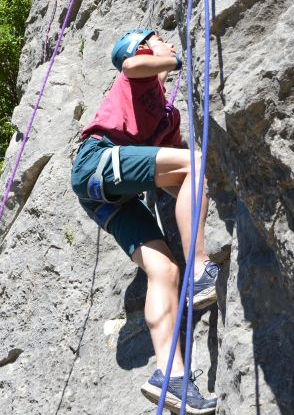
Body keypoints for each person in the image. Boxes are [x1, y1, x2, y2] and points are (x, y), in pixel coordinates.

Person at [70, 29, 219, 414]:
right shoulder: (137, 74)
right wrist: (174, 59)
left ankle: (169, 375)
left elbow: (176, 183)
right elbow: (131, 62)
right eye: (159, 39)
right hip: (97, 159)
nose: (169, 43)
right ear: (144, 47)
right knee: (196, 163)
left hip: (110, 196)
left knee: (165, 269)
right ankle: (201, 269)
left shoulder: (168, 119)